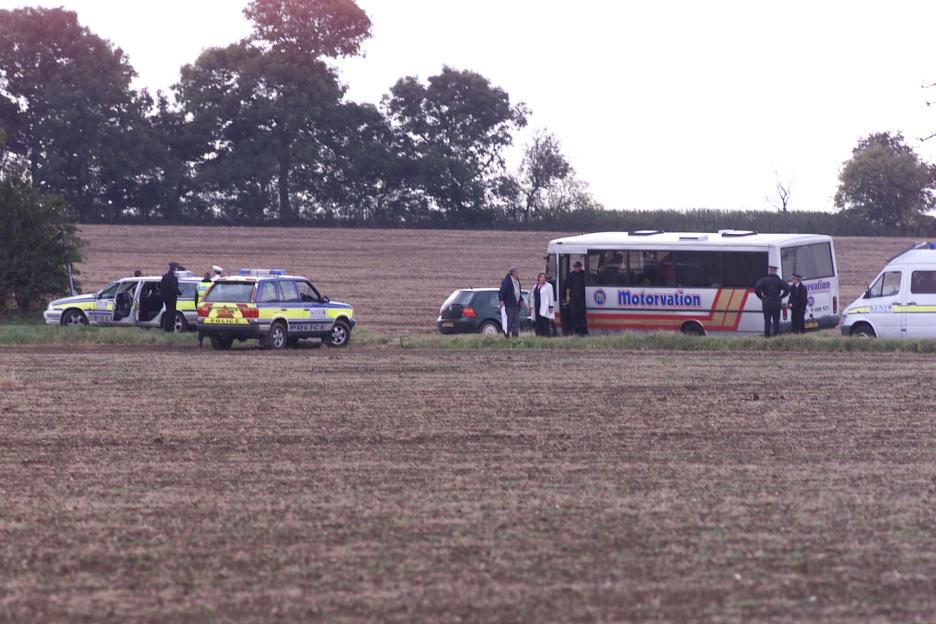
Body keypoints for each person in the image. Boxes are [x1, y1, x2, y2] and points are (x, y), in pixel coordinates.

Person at [754, 265, 791, 337]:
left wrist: (761, 297)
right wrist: (781, 296)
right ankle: (776, 336)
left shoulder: (764, 280)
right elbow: (788, 288)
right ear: (775, 272)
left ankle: (767, 337)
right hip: (776, 303)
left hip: (767, 304)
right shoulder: (779, 281)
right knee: (776, 321)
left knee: (767, 321)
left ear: (769, 271)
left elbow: (756, 288)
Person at [564, 260, 588, 335]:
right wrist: (568, 296)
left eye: (577, 267)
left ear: (580, 267)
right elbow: (568, 286)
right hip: (573, 298)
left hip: (582, 298)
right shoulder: (571, 275)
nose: (575, 268)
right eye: (574, 267)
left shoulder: (584, 274)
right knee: (573, 313)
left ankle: (581, 331)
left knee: (581, 314)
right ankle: (573, 330)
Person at [498, 267, 523, 338]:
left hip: (516, 304)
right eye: (517, 272)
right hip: (509, 304)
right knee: (509, 321)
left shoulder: (517, 280)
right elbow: (502, 292)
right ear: (513, 272)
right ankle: (507, 335)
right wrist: (501, 301)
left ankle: (515, 335)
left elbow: (518, 291)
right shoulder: (507, 281)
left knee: (516, 321)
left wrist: (521, 300)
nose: (518, 273)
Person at [530, 272, 556, 337]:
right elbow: (532, 296)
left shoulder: (549, 286)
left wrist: (551, 306)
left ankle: (546, 335)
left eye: (544, 278)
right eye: (541, 277)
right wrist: (531, 306)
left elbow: (551, 296)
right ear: (538, 278)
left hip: (545, 306)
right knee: (538, 322)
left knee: (545, 321)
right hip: (537, 306)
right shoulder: (535, 286)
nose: (542, 279)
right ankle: (539, 335)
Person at [159, 262, 182, 332]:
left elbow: (161, 287)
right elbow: (174, 288)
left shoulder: (165, 277)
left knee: (168, 314)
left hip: (166, 299)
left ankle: (167, 328)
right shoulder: (173, 278)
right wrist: (180, 293)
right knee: (171, 315)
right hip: (172, 299)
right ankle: (170, 329)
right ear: (175, 269)